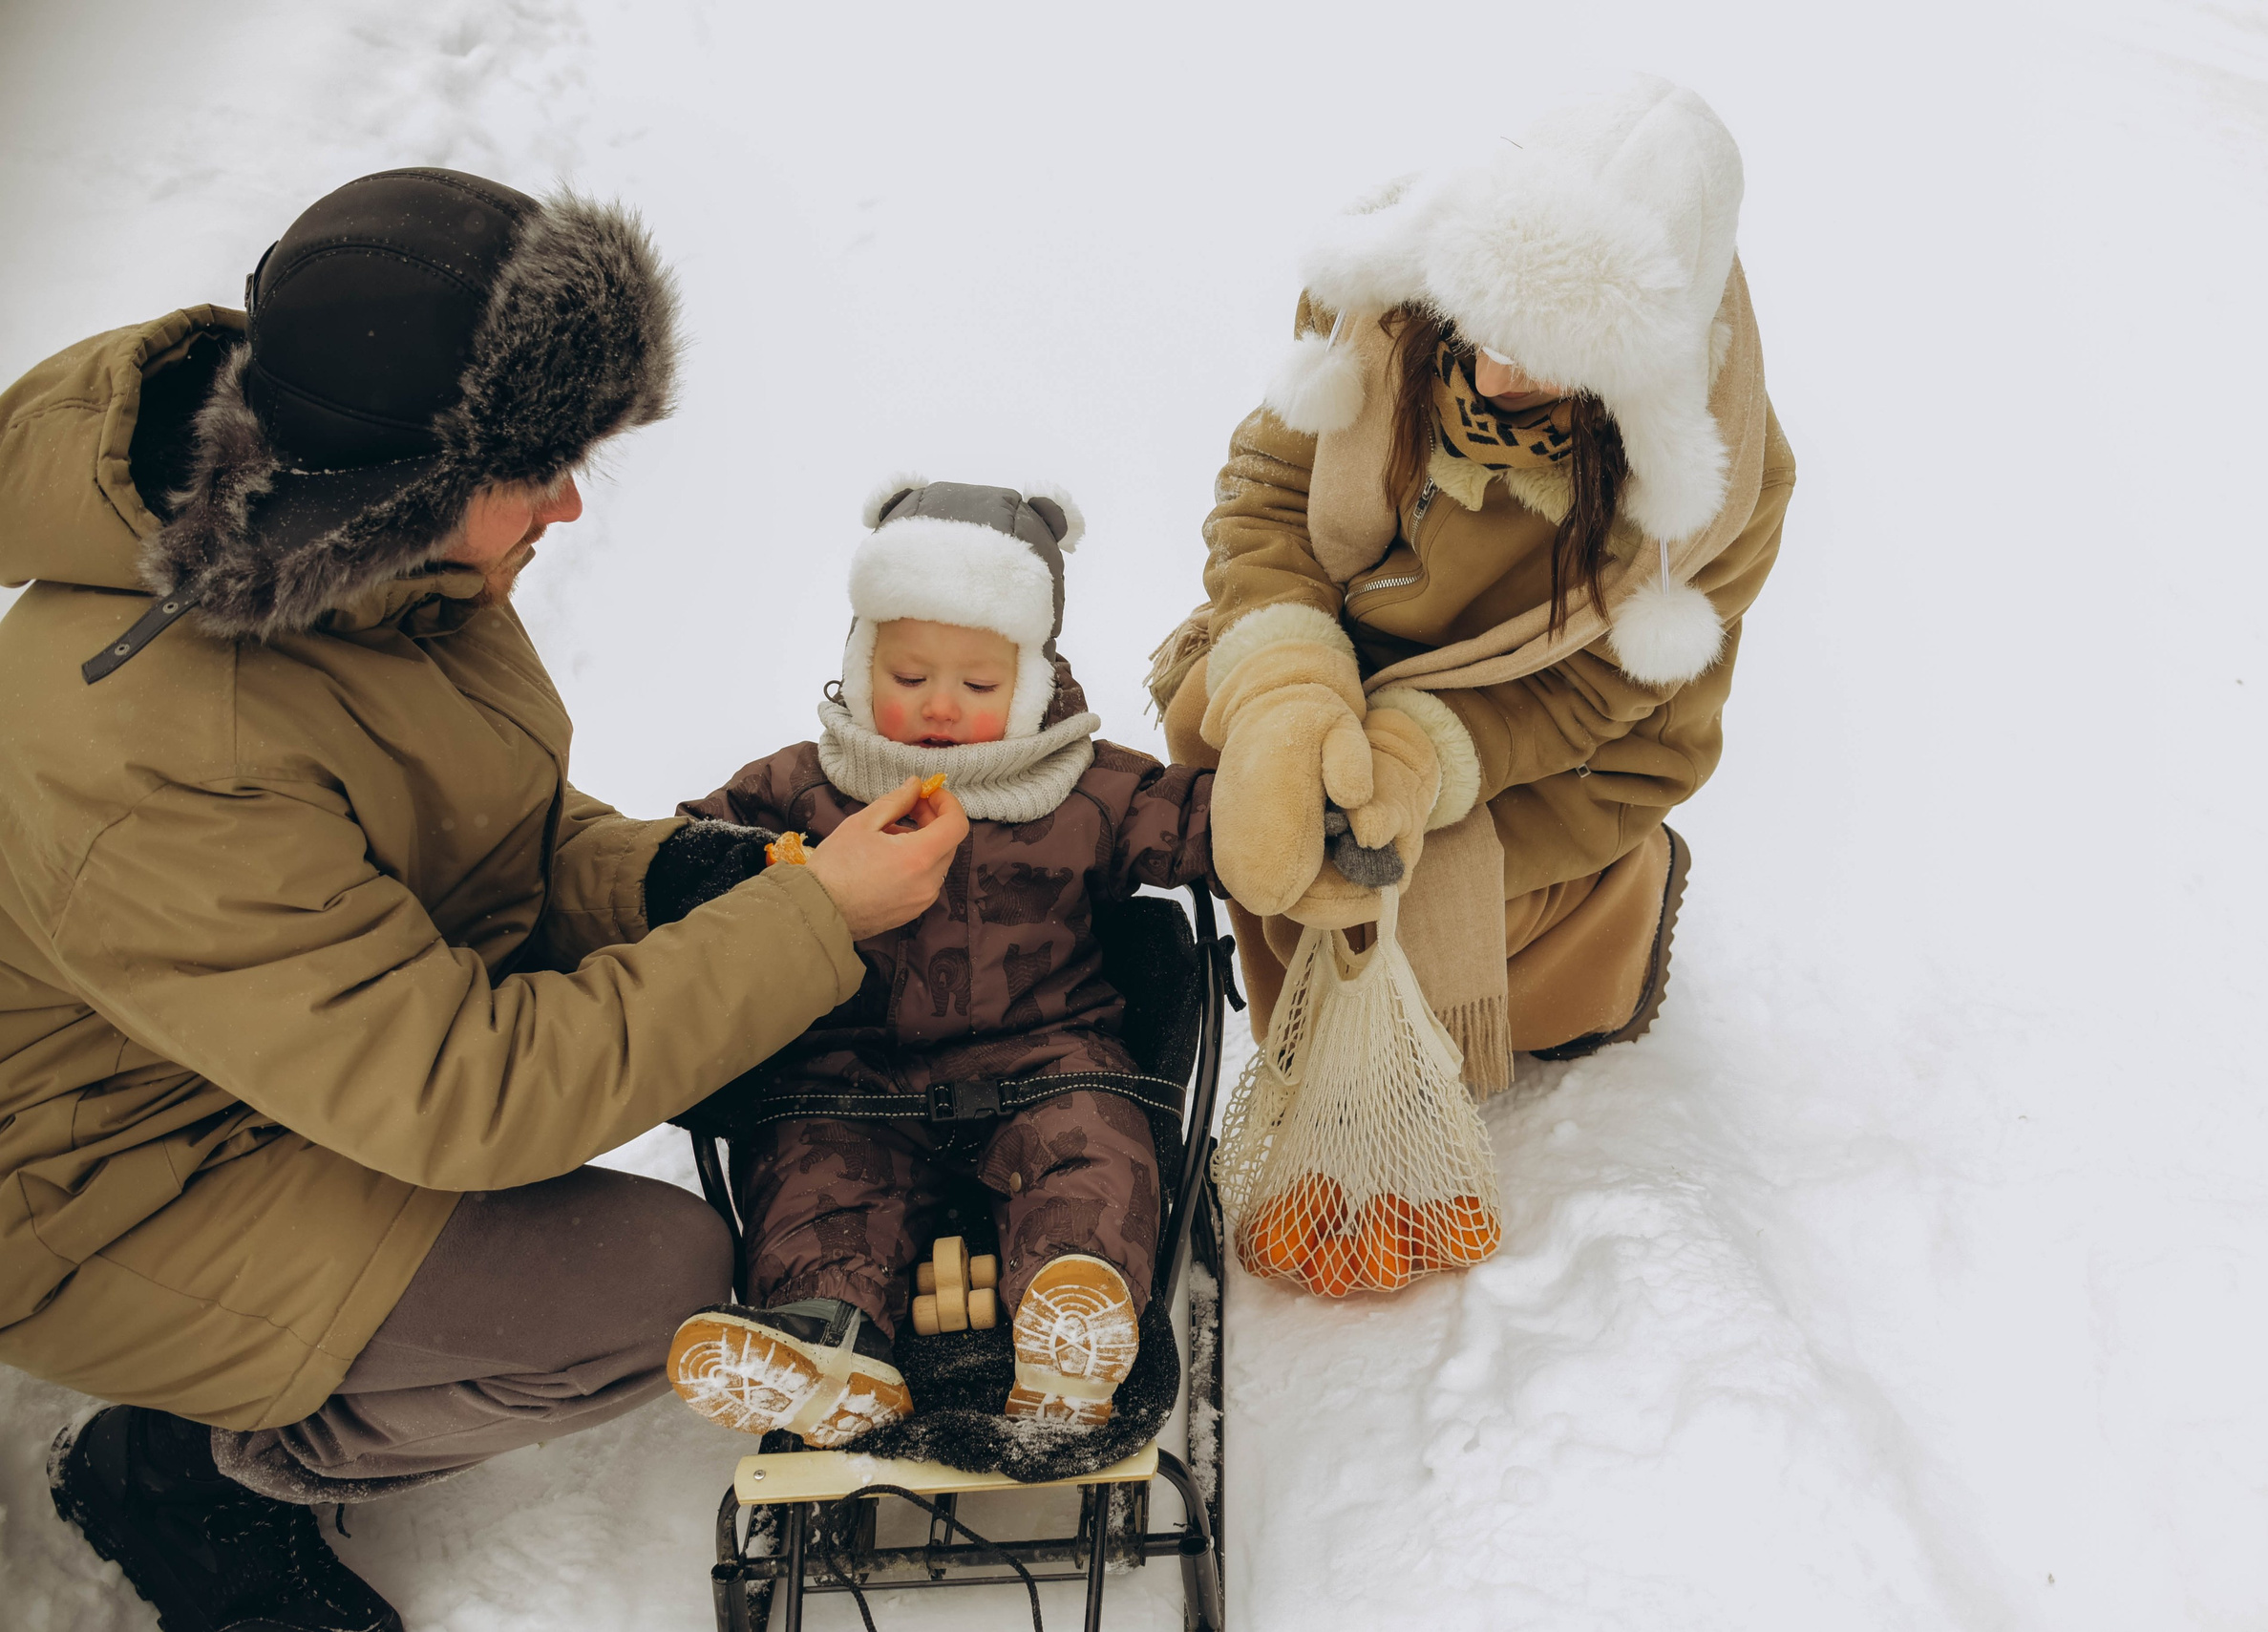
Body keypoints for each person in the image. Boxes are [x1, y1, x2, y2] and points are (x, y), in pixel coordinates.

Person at [0, 169, 966, 1632]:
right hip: (110, 1180)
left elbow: (453, 831)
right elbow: (469, 1094)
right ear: (401, 481)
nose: (571, 503)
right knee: (652, 1291)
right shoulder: (170, 753)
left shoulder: (360, 553)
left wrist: (663, 881)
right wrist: (808, 923)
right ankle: (180, 1469)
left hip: (279, 1054)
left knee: (754, 1008)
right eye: (539, 467)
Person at [1148, 79, 1797, 1095]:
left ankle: (1611, 927)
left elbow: (1592, 696)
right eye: (1486, 327)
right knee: (1242, 771)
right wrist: (1289, 685)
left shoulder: (1719, 484)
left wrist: (1415, 764)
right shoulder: (1380, 310)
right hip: (1362, 650)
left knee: (1420, 899)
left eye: (1545, 363)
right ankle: (1322, 1053)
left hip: (1552, 754)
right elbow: (1269, 496)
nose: (1496, 377)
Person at [645, 477, 1215, 1448]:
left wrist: (1295, 816)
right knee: (815, 1191)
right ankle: (828, 1346)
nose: (940, 706)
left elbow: (1197, 820)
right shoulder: (800, 788)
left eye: (980, 686)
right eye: (908, 677)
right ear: (862, 665)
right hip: (846, 1082)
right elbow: (690, 852)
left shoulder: (1083, 786)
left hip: (1047, 1063)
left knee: (1088, 1153)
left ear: (1032, 681)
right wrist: (709, 870)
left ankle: (1074, 1315)